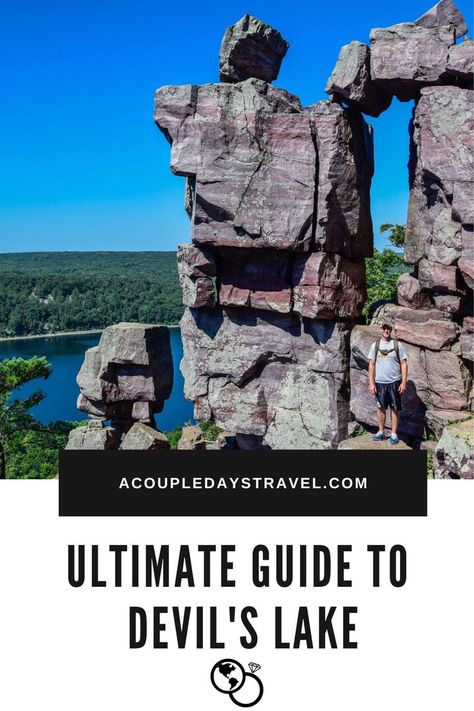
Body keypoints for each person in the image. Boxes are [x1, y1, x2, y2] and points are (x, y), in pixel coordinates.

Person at [368, 323, 408, 445]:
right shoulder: (375, 345)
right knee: (380, 408)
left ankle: (394, 434)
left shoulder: (397, 345)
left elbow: (404, 364)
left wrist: (404, 382)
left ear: (391, 330)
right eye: (384, 328)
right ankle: (381, 432)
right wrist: (371, 383)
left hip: (394, 382)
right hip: (380, 382)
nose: (386, 330)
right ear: (381, 330)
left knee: (395, 409)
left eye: (388, 329)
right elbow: (371, 364)